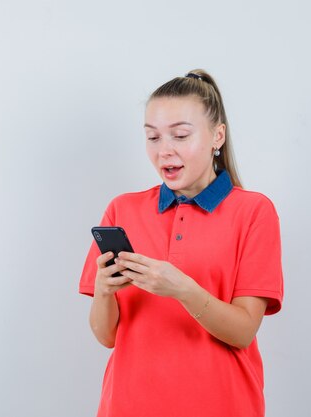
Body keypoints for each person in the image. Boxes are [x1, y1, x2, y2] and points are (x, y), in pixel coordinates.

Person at [78, 69, 284, 417]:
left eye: (180, 135)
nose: (164, 150)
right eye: (153, 137)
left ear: (217, 136)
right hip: (128, 406)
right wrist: (104, 290)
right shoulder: (122, 209)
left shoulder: (254, 212)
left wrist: (183, 289)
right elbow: (107, 336)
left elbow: (243, 331)